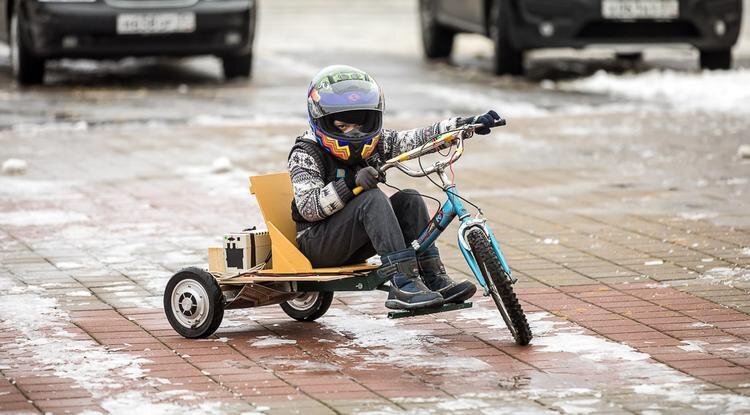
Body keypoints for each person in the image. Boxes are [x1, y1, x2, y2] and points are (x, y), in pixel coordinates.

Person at [288, 65, 502, 310]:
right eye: (342, 126)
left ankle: (432, 276)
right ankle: (402, 283)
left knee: (409, 199)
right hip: (316, 244)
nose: (354, 132)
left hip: (353, 241)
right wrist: (351, 183)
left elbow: (415, 139)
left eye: (360, 124)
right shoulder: (306, 152)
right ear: (321, 120)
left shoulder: (377, 143)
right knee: (373, 199)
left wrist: (464, 125)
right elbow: (307, 208)